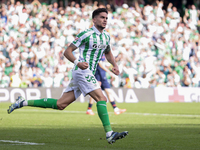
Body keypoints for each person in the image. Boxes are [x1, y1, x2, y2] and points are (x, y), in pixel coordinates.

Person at [7, 8, 128, 144]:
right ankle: (109, 133)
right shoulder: (86, 34)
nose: (105, 20)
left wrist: (115, 65)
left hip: (88, 72)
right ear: (94, 20)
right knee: (102, 98)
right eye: (102, 17)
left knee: (60, 104)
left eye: (106, 18)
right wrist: (78, 62)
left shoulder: (106, 36)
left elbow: (108, 52)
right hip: (82, 71)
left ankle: (22, 102)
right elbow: (67, 51)